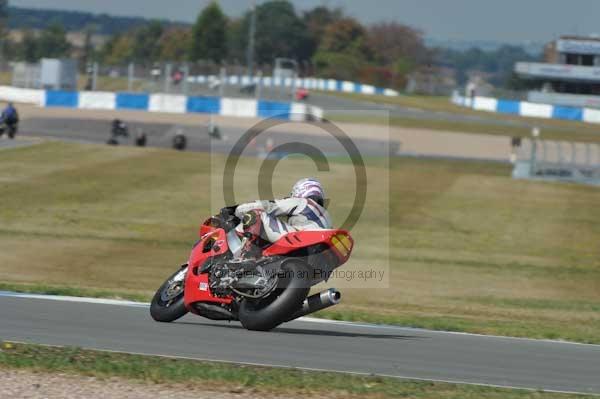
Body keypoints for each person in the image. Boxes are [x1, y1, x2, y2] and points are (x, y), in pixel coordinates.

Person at [233, 178, 332, 248]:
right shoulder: (327, 217)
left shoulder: (303, 202)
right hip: (317, 253)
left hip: (298, 241)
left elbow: (269, 206)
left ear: (300, 191)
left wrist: (237, 209)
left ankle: (243, 254)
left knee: (256, 214)